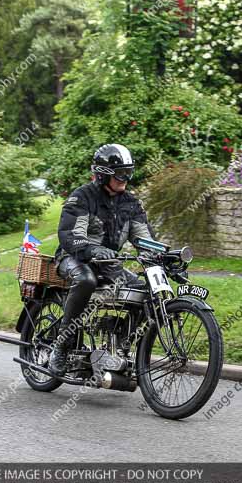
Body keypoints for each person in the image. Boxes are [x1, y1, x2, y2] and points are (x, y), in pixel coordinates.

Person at [49, 144, 155, 376]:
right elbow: (71, 235)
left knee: (143, 289)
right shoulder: (82, 197)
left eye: (129, 172)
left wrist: (160, 255)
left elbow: (144, 237)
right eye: (120, 173)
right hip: (74, 258)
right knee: (86, 280)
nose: (125, 178)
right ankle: (62, 347)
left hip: (109, 264)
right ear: (103, 174)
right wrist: (92, 250)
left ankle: (120, 344)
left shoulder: (131, 202)